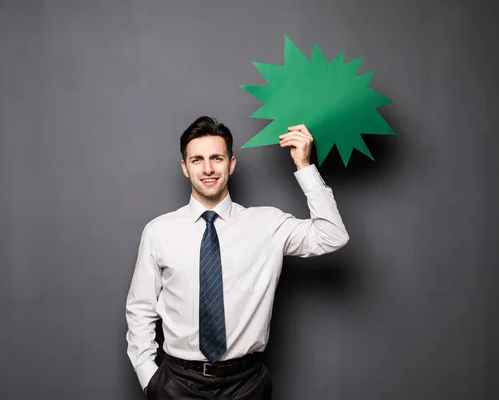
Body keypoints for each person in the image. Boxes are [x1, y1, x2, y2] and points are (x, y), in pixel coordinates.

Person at [125, 116, 349, 399]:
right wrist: (149, 376)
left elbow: (332, 235)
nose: (208, 169)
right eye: (197, 160)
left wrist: (304, 166)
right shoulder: (159, 231)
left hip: (247, 385)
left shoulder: (267, 224)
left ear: (231, 163)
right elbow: (140, 308)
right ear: (185, 168)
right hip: (177, 384)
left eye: (216, 158)